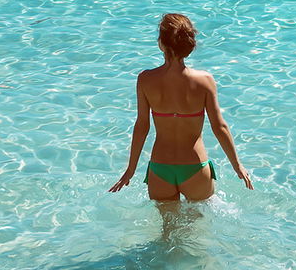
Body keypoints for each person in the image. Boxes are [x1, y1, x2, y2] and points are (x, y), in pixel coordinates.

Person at [109, 13, 254, 201]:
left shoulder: (145, 79)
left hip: (160, 168)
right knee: (198, 226)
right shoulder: (204, 81)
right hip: (195, 166)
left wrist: (130, 169)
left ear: (161, 43)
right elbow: (220, 127)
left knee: (167, 229)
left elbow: (142, 126)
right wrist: (237, 165)